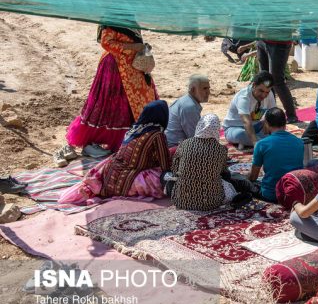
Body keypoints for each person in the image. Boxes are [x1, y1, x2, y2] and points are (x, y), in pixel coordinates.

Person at [60, 25, 158, 167]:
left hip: (133, 66)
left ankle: (133, 139)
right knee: (110, 104)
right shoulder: (111, 18)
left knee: (136, 102)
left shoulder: (129, 15)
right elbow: (106, 43)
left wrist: (139, 48)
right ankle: (91, 142)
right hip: (115, 67)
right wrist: (134, 48)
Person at [59, 100, 171, 203]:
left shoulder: (134, 129)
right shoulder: (157, 135)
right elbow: (165, 165)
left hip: (109, 173)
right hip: (129, 181)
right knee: (165, 180)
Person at [170, 114, 237, 211]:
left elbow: (175, 169)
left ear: (199, 126)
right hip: (211, 202)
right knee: (228, 181)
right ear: (217, 128)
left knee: (167, 178)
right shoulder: (221, 150)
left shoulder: (185, 144)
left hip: (181, 201)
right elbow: (223, 172)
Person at [249, 107, 304, 202]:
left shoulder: (261, 144)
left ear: (266, 123)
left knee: (241, 182)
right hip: (294, 191)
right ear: (285, 123)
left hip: (271, 194)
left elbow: (253, 177)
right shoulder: (299, 142)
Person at [223, 71, 275, 149]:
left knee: (273, 127)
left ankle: (249, 142)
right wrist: (255, 144)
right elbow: (246, 122)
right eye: (261, 91)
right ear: (254, 85)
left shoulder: (269, 93)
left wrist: (268, 123)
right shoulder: (243, 97)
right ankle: (263, 143)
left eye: (267, 92)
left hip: (255, 126)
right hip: (234, 128)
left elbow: (273, 113)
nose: (264, 95)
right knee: (240, 134)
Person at [256, 40, 298, 123]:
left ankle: (291, 115)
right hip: (262, 39)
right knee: (265, 80)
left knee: (276, 80)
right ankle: (271, 113)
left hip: (279, 42)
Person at [165, 75, 209, 147]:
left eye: (208, 88)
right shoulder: (189, 107)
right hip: (174, 148)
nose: (208, 92)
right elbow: (195, 137)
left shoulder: (187, 100)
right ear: (193, 90)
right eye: (204, 88)